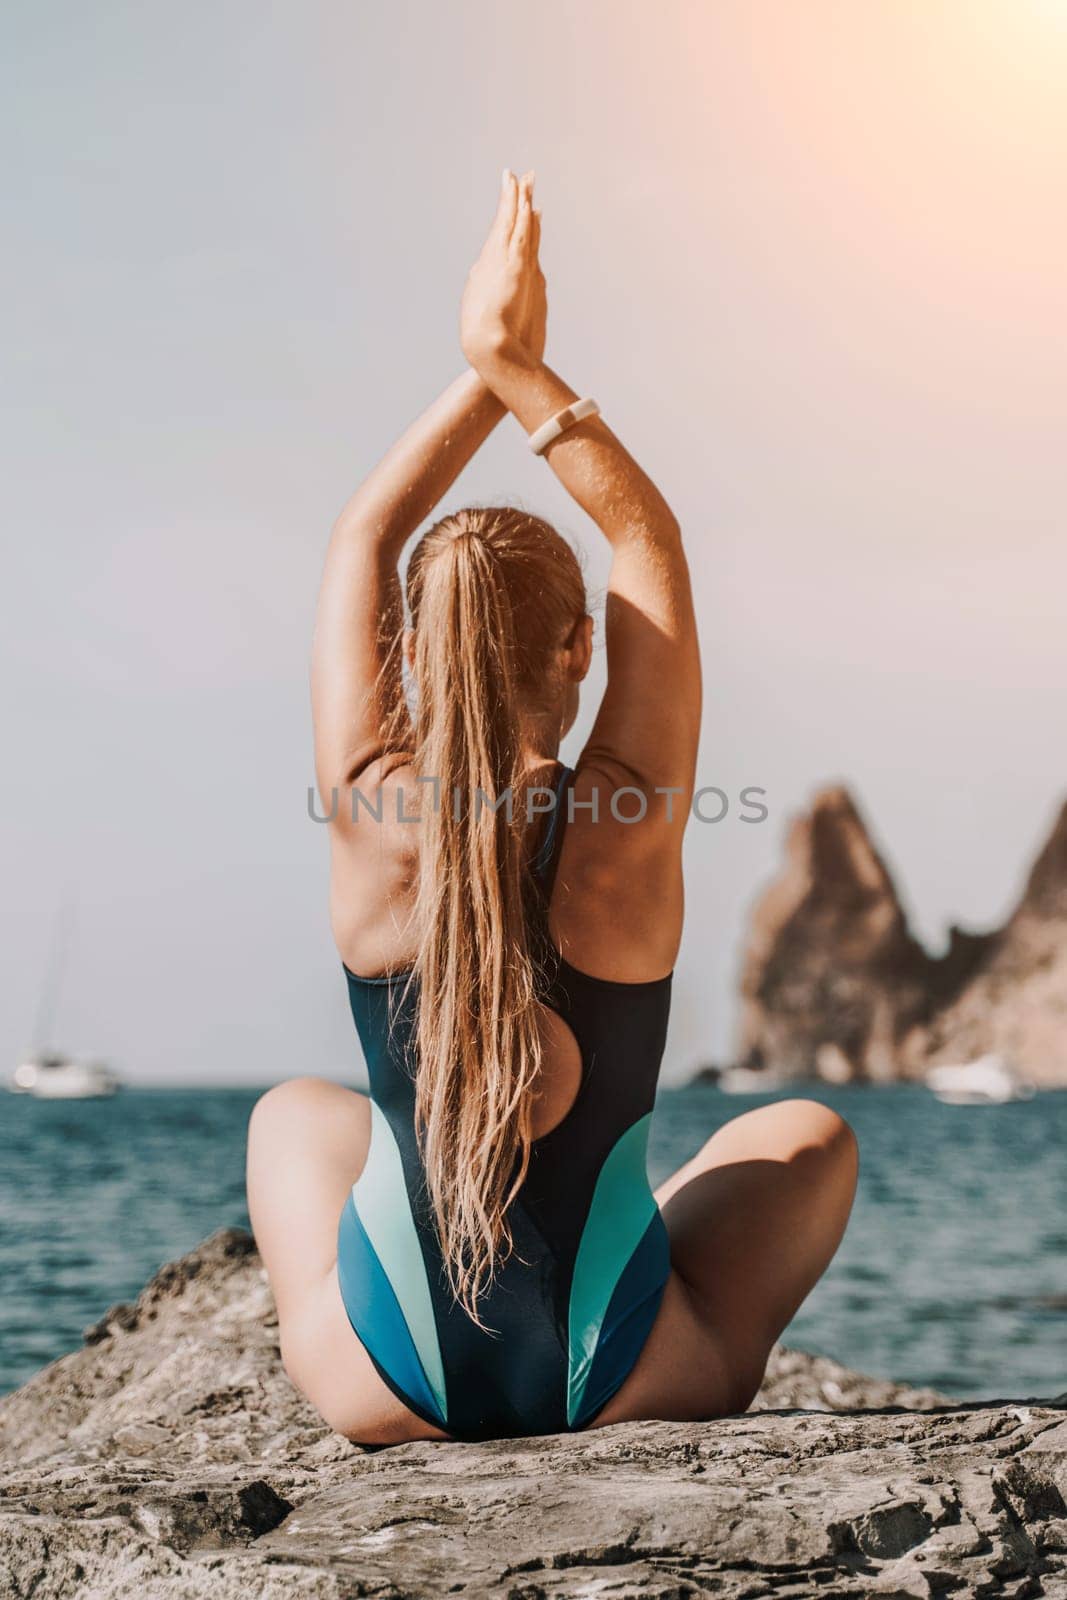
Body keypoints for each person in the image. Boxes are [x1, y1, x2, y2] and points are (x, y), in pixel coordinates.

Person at [246, 171, 858, 1445]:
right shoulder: (621, 820)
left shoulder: (366, 803)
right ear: (581, 648)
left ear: (412, 650)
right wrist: (522, 367)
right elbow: (649, 543)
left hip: (387, 1386)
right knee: (807, 1133)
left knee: (293, 1115)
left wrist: (479, 366)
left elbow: (364, 538)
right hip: (622, 1382)